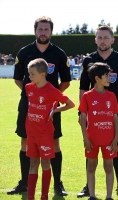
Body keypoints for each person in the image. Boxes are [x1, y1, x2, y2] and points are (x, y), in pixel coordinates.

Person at [9, 16, 71, 196]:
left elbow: (66, 81)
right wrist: (33, 95)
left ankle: (58, 183)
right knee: (25, 142)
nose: (43, 33)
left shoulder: (59, 54)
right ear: (35, 30)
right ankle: (24, 182)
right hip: (28, 107)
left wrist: (50, 96)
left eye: (46, 29)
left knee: (54, 143)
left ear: (51, 31)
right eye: (40, 29)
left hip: (50, 108)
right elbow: (18, 79)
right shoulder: (24, 52)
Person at [77, 25, 118, 199]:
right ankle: (89, 188)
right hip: (93, 111)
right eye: (99, 37)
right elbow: (82, 88)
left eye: (106, 37)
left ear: (112, 40)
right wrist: (82, 114)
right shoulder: (88, 60)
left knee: (116, 147)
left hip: (114, 109)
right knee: (91, 147)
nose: (102, 41)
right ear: (95, 40)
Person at [25, 58, 75, 200]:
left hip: (45, 133)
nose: (30, 76)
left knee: (45, 163)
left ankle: (44, 196)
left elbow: (70, 104)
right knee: (33, 163)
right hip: (31, 132)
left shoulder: (52, 90)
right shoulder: (29, 88)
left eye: (32, 74)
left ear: (43, 74)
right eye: (29, 73)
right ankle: (30, 196)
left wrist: (54, 111)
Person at [79, 62, 118, 200]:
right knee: (91, 167)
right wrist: (85, 137)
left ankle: (109, 196)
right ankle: (92, 195)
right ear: (97, 79)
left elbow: (116, 118)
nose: (109, 78)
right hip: (92, 139)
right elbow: (82, 119)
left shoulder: (112, 96)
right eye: (106, 76)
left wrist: (116, 138)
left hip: (109, 139)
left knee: (109, 167)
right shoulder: (87, 96)